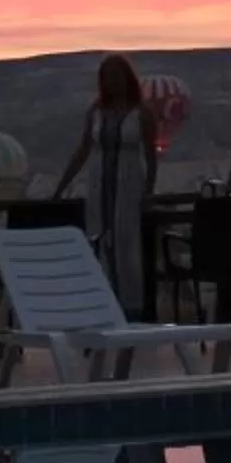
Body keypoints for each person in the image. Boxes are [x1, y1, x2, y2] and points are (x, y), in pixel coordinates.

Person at [53, 53, 158, 319]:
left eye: (117, 75)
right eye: (108, 76)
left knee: (128, 245)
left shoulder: (142, 114)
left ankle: (132, 308)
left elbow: (151, 154)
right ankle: (101, 303)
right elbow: (84, 148)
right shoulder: (96, 112)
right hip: (99, 186)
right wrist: (62, 185)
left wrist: (148, 191)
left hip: (128, 186)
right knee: (98, 242)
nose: (113, 81)